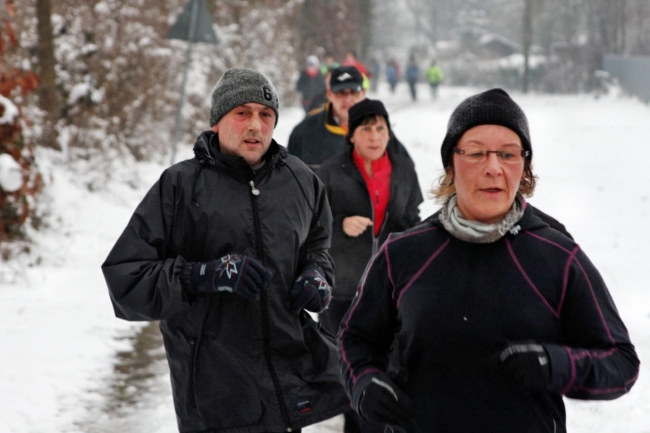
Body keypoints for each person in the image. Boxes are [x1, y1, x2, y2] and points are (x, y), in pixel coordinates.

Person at [337, 88, 639, 432]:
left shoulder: (558, 256)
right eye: (476, 153)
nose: (493, 168)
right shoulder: (403, 252)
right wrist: (364, 381)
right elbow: (355, 337)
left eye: (508, 155)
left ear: (524, 168)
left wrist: (557, 364)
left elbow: (620, 363)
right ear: (451, 163)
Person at [101, 68, 349, 433]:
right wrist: (202, 275)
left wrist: (317, 275)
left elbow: (318, 246)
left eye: (266, 115)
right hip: (215, 397)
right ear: (218, 121)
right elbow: (126, 278)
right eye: (243, 113)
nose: (255, 125)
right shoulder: (180, 186)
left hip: (284, 392)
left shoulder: (301, 180)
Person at [317, 98, 423, 433]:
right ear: (352, 135)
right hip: (343, 291)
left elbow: (412, 217)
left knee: (387, 371)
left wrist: (404, 237)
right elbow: (312, 229)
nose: (375, 136)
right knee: (347, 371)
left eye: (381, 128)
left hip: (388, 290)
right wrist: (341, 226)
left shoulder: (404, 169)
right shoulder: (332, 172)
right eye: (366, 128)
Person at [288, 66, 411, 170]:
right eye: (341, 93)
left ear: (363, 93)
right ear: (329, 94)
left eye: (353, 92)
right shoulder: (304, 132)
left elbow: (405, 175)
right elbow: (288, 180)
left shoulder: (379, 133)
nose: (347, 99)